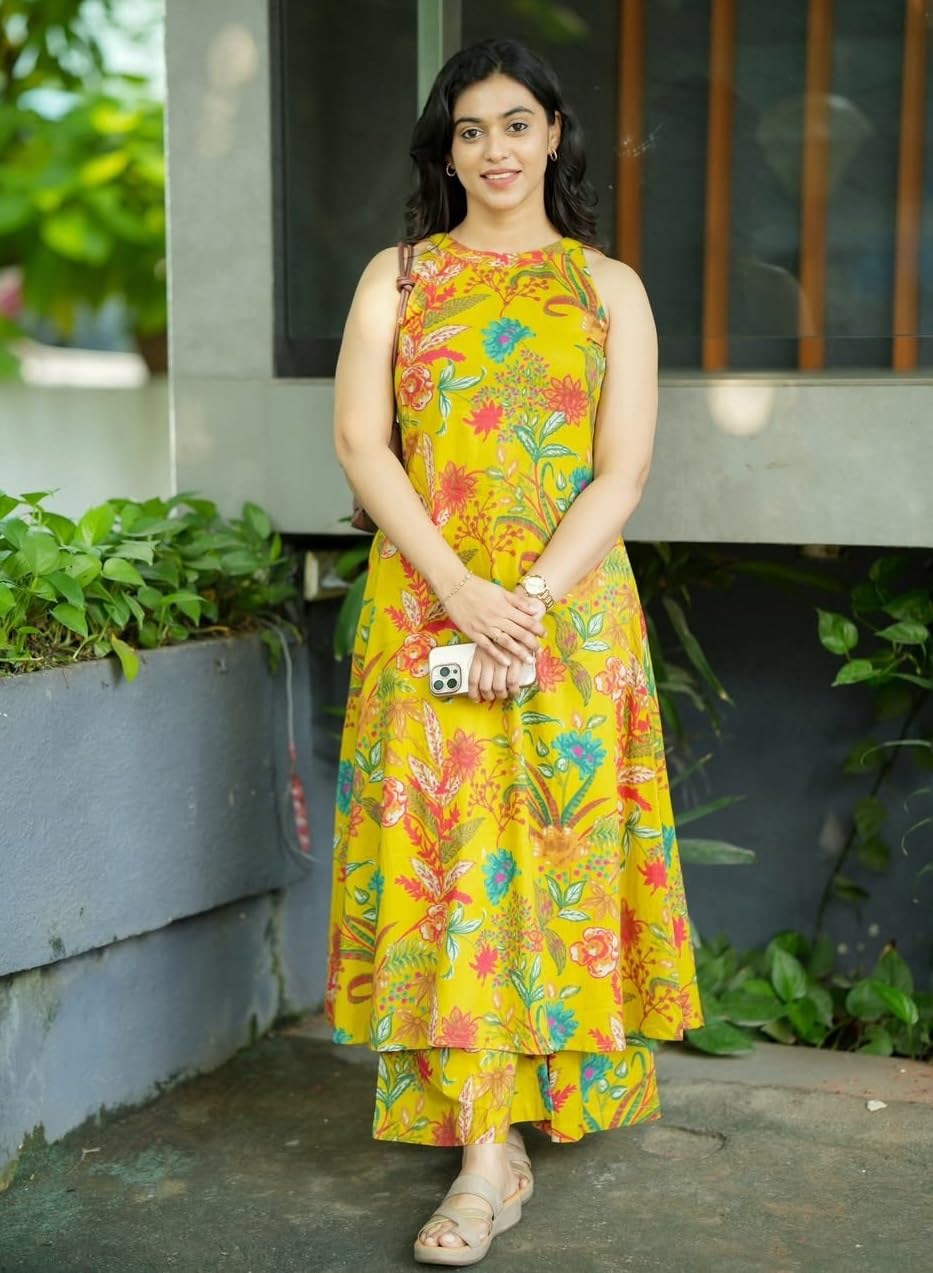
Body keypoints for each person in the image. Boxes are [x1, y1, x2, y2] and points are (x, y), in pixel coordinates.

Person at [325, 37, 703, 1266]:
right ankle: (486, 1157)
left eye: (516, 124)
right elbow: (362, 443)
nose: (494, 149)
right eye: (470, 129)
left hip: (568, 618)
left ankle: (520, 1123)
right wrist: (461, 591)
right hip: (429, 606)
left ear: (554, 136)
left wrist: (525, 601)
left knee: (554, 861)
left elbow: (622, 472)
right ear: (446, 151)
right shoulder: (398, 278)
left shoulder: (609, 289)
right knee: (451, 870)